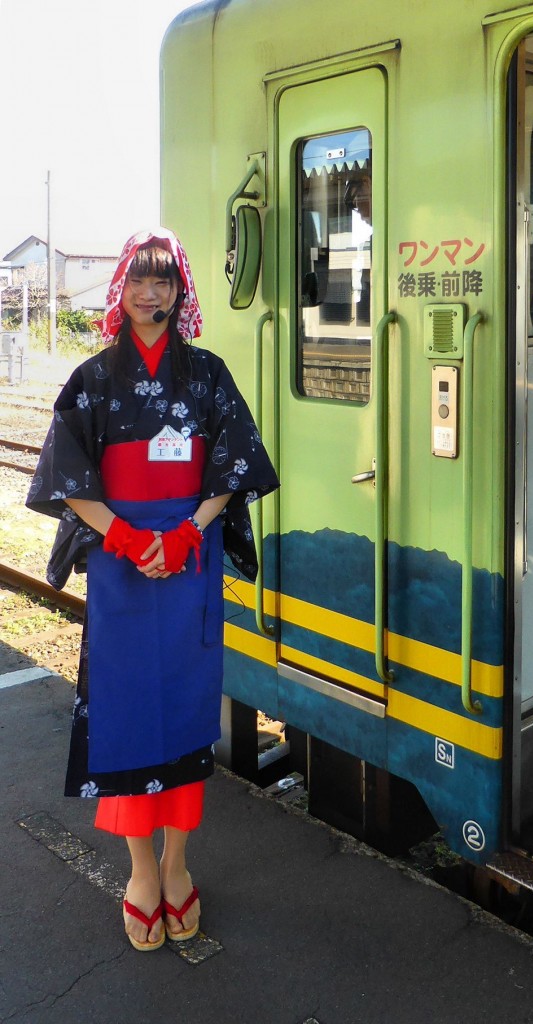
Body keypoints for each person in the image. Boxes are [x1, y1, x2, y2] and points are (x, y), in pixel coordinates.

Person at [26, 228, 278, 951]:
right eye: (138, 279)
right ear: (120, 288)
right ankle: (141, 870)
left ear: (179, 292)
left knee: (188, 711)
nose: (149, 292)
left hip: (189, 560)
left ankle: (177, 864)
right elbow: (69, 480)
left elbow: (233, 466)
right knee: (126, 710)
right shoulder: (92, 378)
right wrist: (133, 539)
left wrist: (189, 533)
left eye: (163, 280)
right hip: (122, 563)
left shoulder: (207, 375)